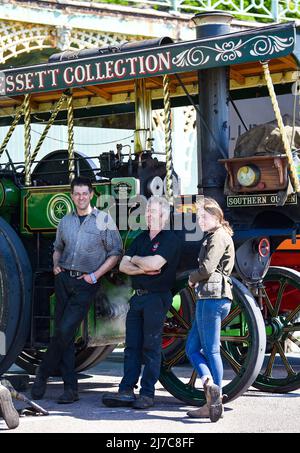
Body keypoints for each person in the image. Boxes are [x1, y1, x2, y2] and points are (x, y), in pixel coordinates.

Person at [31, 176, 122, 403]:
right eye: (77, 194)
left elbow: (115, 253)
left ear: (91, 194)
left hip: (86, 283)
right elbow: (57, 247)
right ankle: (70, 390)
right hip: (63, 280)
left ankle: (42, 373)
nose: (81, 197)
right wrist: (55, 266)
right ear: (72, 196)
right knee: (65, 336)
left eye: (85, 193)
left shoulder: (104, 220)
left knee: (64, 330)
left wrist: (94, 276)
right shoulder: (65, 221)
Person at [102, 196, 181, 410]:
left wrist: (136, 260)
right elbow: (123, 266)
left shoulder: (170, 239)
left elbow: (155, 263)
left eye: (153, 212)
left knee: (151, 346)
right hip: (137, 297)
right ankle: (126, 390)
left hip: (157, 297)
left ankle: (147, 394)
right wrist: (142, 265)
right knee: (131, 346)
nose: (148, 216)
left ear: (164, 216)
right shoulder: (141, 238)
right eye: (147, 212)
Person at [185, 197, 234, 422]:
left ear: (216, 216)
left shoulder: (218, 236)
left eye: (203, 216)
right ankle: (209, 386)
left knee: (211, 350)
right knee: (192, 348)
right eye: (198, 217)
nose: (200, 220)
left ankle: (214, 401)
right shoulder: (218, 236)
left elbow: (207, 268)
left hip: (211, 297)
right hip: (214, 298)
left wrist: (192, 278)